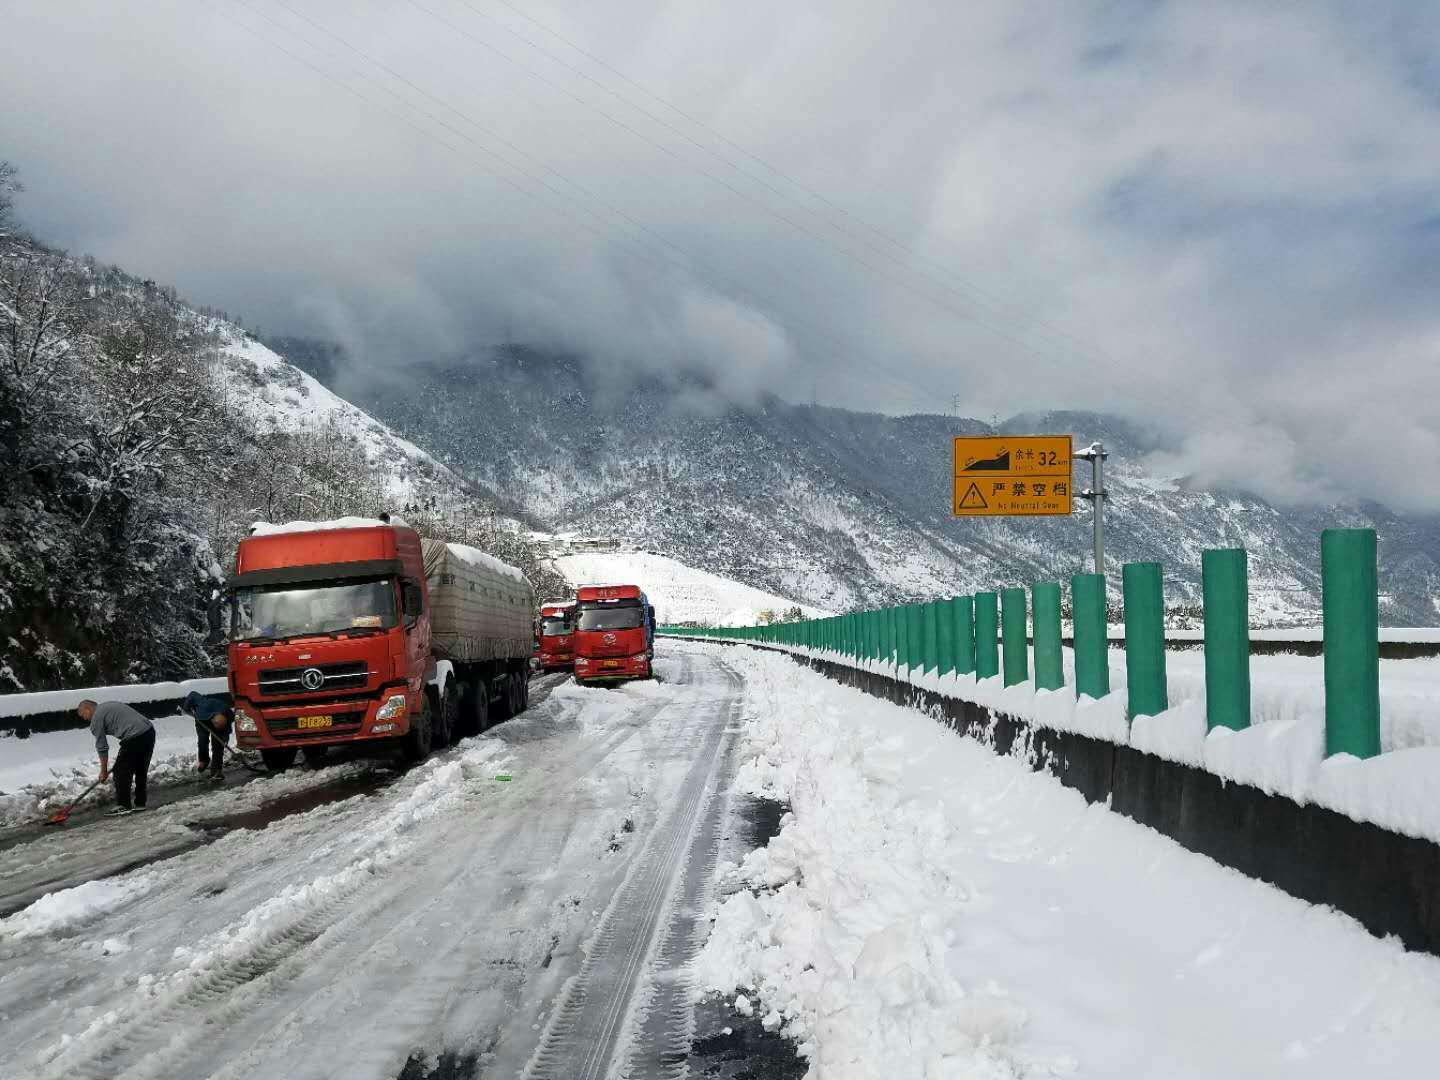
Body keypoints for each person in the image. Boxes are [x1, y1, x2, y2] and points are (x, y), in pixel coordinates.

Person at [78, 699, 156, 816]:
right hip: (149, 732)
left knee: (120, 771)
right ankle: (140, 803)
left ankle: (123, 805)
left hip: (134, 736)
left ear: (88, 709)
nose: (84, 719)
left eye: (83, 715)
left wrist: (103, 771)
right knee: (140, 769)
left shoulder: (96, 719)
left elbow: (102, 747)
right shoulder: (107, 705)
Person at [183, 690, 233, 781]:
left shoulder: (229, 715)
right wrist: (186, 708)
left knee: (218, 745)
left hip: (219, 720)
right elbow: (193, 694)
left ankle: (216, 771)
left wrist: (224, 740)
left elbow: (227, 732)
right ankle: (204, 760)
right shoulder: (203, 711)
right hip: (203, 719)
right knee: (203, 741)